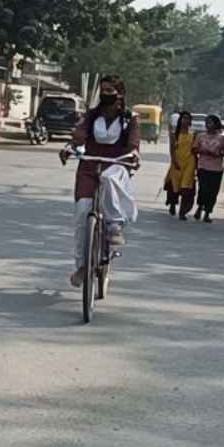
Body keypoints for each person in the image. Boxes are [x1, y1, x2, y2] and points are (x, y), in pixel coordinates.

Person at [59, 75, 141, 288]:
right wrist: (70, 147)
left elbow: (133, 143)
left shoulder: (130, 118)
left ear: (120, 93)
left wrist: (134, 154)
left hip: (117, 164)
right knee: (81, 216)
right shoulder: (91, 115)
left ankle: (114, 226)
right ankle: (81, 266)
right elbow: (80, 136)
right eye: (103, 90)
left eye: (109, 91)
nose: (105, 94)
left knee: (108, 178)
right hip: (89, 166)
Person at [192, 114, 224, 223]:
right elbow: (194, 149)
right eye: (207, 122)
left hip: (217, 168)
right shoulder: (201, 136)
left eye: (210, 122)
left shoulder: (223, 137)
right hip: (203, 166)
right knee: (203, 189)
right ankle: (200, 207)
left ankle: (208, 212)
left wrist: (218, 153)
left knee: (213, 192)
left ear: (216, 124)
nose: (207, 125)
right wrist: (202, 151)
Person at [165, 111, 197, 220]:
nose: (186, 120)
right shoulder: (175, 134)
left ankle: (183, 211)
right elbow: (172, 150)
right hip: (177, 162)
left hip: (190, 162)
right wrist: (175, 162)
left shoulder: (193, 134)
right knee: (174, 186)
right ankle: (173, 204)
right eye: (184, 118)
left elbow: (196, 149)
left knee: (186, 187)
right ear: (180, 120)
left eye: (188, 118)